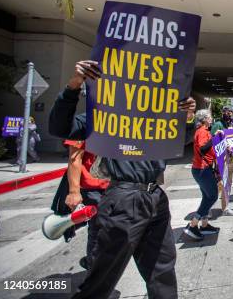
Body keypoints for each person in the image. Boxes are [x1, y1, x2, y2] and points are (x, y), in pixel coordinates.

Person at [49, 60, 196, 298]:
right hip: (124, 198)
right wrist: (74, 85)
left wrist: (187, 116)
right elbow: (60, 127)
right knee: (102, 277)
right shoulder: (107, 115)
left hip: (156, 197)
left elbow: (181, 141)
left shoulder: (158, 115)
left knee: (162, 270)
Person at [63, 138, 110, 270]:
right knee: (99, 230)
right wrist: (74, 192)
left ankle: (94, 262)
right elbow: (75, 158)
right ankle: (94, 266)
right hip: (94, 188)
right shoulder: (85, 122)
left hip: (119, 186)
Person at [185, 109, 222, 239]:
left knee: (206, 197)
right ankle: (193, 224)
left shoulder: (205, 132)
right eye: (210, 117)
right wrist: (215, 137)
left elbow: (210, 147)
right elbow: (203, 148)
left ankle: (205, 225)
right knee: (212, 196)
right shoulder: (201, 132)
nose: (211, 119)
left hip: (202, 169)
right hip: (202, 169)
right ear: (204, 119)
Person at [211, 107, 233, 217]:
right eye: (227, 112)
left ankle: (225, 207)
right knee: (219, 184)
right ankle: (207, 207)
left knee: (228, 183)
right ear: (223, 113)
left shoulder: (231, 125)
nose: (229, 114)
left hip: (230, 159)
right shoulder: (218, 124)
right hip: (221, 160)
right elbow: (212, 141)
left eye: (231, 112)